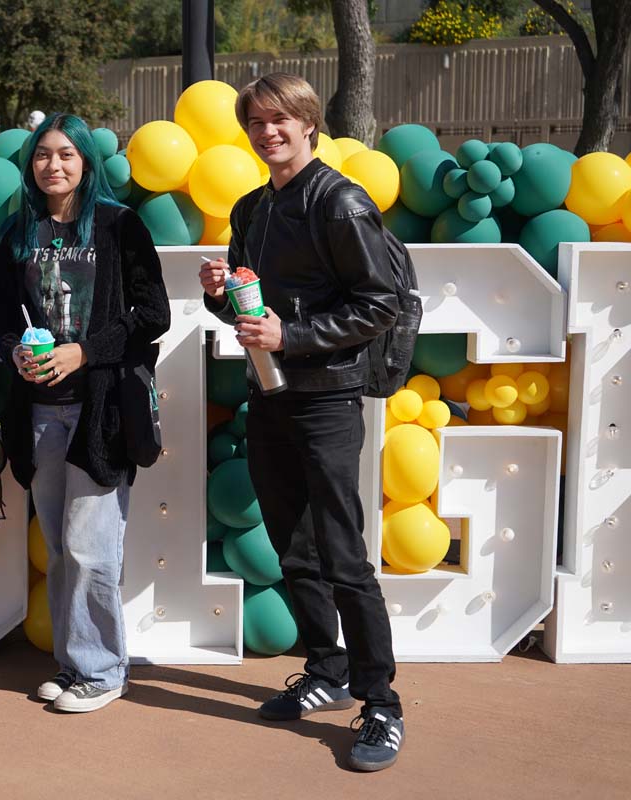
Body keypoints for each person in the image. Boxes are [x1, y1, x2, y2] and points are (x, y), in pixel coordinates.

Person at [198, 72, 405, 772]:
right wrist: (222, 298)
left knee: (344, 555)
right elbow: (251, 318)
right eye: (256, 122)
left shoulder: (340, 201)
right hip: (271, 397)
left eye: (280, 119)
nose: (268, 133)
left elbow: (380, 302)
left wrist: (294, 337)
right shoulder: (251, 208)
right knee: (293, 548)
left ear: (309, 123)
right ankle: (327, 670)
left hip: (326, 399)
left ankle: (382, 705)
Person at [0, 113, 170, 714]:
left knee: (93, 547)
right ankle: (74, 664)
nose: (53, 165)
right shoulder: (17, 232)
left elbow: (153, 315)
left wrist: (84, 351)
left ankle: (103, 672)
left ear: (86, 162)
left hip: (101, 414)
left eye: (66, 154)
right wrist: (16, 348)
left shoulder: (120, 226)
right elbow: (2, 317)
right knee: (62, 549)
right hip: (39, 413)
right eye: (43, 155)